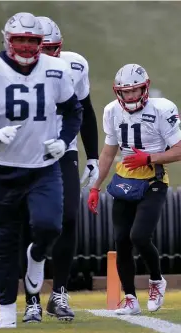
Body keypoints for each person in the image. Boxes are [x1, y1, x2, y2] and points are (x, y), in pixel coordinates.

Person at [0, 12, 83, 329]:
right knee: (5, 238)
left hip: (43, 166)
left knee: (50, 227)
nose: (27, 46)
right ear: (7, 39)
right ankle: (6, 311)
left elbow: (74, 112)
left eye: (33, 40)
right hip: (2, 168)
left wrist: (64, 140)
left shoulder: (56, 69)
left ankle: (38, 257)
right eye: (21, 40)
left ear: (42, 44)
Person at [21, 16, 99, 323]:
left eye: (52, 49)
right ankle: (31, 300)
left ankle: (59, 293)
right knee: (34, 224)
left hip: (63, 150)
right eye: (42, 49)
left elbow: (85, 108)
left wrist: (92, 156)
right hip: (27, 153)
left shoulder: (74, 65)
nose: (47, 56)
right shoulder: (10, 71)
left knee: (68, 217)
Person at [88, 63, 181, 315]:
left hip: (153, 180)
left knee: (139, 236)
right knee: (122, 242)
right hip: (124, 180)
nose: (129, 96)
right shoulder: (111, 111)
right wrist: (95, 187)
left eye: (134, 91)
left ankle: (156, 280)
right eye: (125, 92)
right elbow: (108, 153)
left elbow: (179, 149)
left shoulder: (163, 109)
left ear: (145, 88)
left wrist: (149, 158)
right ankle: (130, 298)